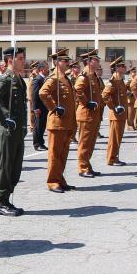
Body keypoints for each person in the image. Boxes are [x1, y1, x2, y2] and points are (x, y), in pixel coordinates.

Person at [0, 46, 28, 216]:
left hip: (17, 131)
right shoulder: (5, 79)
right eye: (20, 58)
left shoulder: (18, 79)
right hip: (6, 131)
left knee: (15, 168)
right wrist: (4, 119)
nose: (23, 61)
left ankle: (8, 200)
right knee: (5, 168)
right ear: (10, 60)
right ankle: (1, 203)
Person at [39, 48, 76, 193]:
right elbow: (43, 93)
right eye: (64, 60)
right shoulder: (54, 78)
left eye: (68, 60)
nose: (67, 63)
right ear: (57, 62)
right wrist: (54, 108)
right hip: (57, 122)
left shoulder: (66, 78)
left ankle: (60, 179)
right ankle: (53, 181)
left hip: (67, 123)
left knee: (63, 154)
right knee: (55, 154)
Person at [74, 50, 104, 178]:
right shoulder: (84, 76)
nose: (98, 62)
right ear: (89, 61)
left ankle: (87, 165)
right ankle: (83, 167)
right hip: (86, 114)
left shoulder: (93, 75)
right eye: (96, 60)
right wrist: (86, 103)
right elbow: (78, 90)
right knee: (85, 143)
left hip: (94, 114)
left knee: (91, 143)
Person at [103, 57, 129, 166]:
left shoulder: (120, 80)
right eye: (122, 66)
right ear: (117, 68)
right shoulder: (112, 81)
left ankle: (115, 157)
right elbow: (105, 95)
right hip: (116, 115)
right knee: (114, 138)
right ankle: (111, 158)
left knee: (118, 137)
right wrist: (113, 107)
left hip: (121, 114)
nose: (125, 67)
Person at [31, 60, 49, 151]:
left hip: (44, 106)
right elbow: (34, 95)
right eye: (46, 68)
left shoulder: (44, 78)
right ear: (41, 69)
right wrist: (35, 108)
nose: (48, 70)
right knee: (37, 125)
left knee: (42, 125)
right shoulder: (37, 79)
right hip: (39, 107)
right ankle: (36, 143)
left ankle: (41, 142)